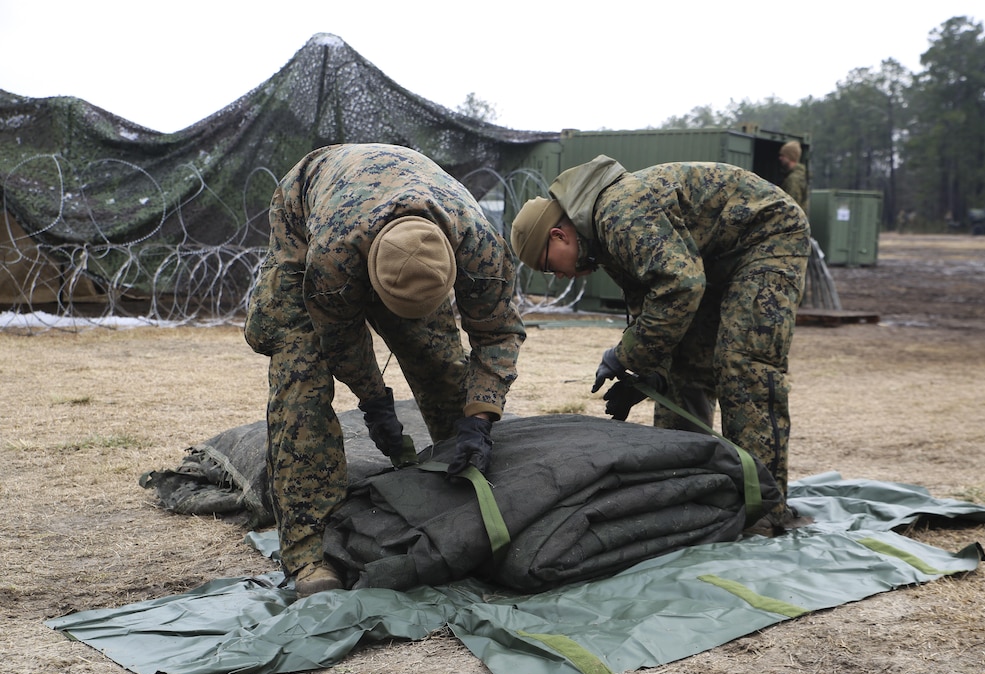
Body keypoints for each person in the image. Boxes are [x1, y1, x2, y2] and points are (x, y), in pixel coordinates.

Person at [244, 143, 525, 596]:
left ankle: (461, 500)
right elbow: (340, 339)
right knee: (302, 378)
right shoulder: (333, 256)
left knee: (440, 362)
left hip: (397, 210)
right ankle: (309, 552)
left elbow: (498, 333)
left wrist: (479, 417)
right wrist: (375, 402)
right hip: (309, 212)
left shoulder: (480, 245)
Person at [510, 156, 809, 525]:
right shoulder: (601, 239)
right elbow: (652, 306)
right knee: (681, 373)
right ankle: (692, 497)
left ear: (559, 236)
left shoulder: (617, 213)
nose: (557, 276)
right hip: (708, 259)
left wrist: (623, 355)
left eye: (549, 265)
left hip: (767, 237)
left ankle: (764, 511)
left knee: (743, 365)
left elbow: (680, 286)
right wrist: (646, 376)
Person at [778, 140, 808, 214]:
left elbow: (791, 208)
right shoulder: (800, 175)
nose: (780, 158)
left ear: (790, 157)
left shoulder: (793, 179)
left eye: (783, 156)